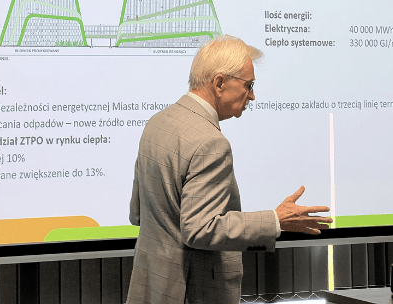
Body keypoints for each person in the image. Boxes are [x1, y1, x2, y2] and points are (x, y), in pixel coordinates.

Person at [126, 35, 332, 304]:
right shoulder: (210, 143)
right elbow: (199, 230)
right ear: (220, 82)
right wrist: (274, 221)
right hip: (189, 292)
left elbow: (137, 212)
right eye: (249, 85)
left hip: (151, 286)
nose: (253, 96)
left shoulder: (158, 122)